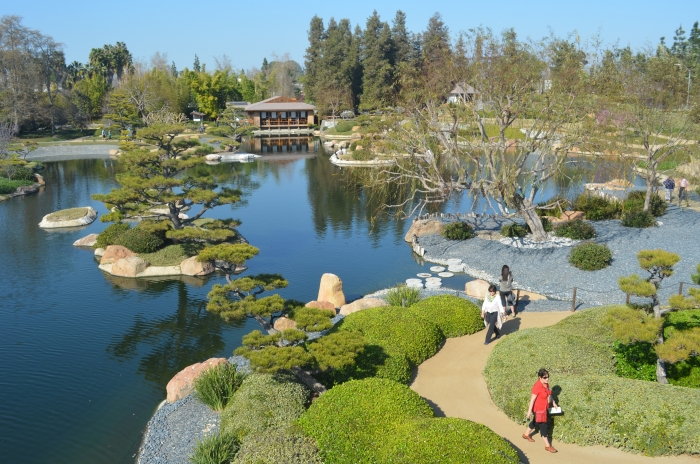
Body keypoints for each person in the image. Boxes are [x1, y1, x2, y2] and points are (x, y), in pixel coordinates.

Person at [523, 368, 559, 453]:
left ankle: (526, 434)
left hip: (544, 409)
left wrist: (554, 403)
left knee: (535, 422)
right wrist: (529, 412)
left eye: (548, 377)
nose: (547, 379)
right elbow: (532, 400)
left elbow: (549, 394)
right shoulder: (537, 387)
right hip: (539, 410)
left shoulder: (546, 384)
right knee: (543, 427)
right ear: (540, 377)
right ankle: (547, 446)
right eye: (545, 377)